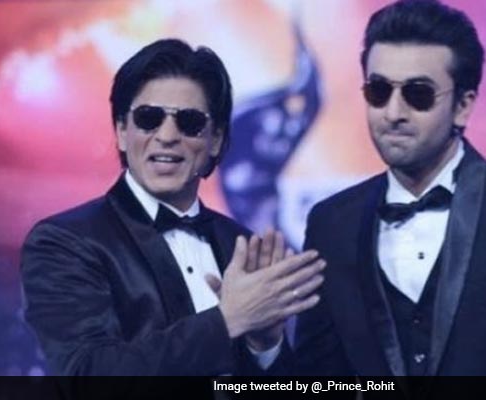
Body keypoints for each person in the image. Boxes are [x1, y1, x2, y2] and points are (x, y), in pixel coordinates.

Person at [265, 0, 486, 377]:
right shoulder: (332, 223)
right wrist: (266, 344)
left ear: (463, 106)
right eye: (379, 90)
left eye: (418, 94)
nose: (393, 113)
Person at [20, 38, 325, 376]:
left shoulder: (241, 244)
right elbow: (86, 375)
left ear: (216, 140)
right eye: (148, 118)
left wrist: (265, 345)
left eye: (189, 122)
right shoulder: (64, 242)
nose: (167, 136)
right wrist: (226, 321)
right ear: (121, 131)